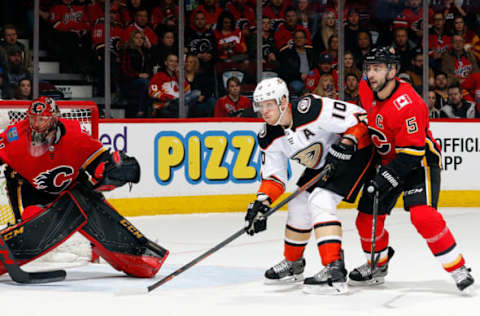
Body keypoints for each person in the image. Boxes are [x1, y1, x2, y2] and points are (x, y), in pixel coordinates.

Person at [0, 96, 169, 277]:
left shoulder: (75, 134)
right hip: (34, 192)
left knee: (103, 216)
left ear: (55, 118)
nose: (35, 124)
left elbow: (98, 162)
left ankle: (141, 258)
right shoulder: (15, 134)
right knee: (31, 232)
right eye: (32, 118)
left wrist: (109, 169)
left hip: (73, 189)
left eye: (41, 119)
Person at [351, 46, 474, 292]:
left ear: (393, 71)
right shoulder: (367, 87)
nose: (371, 74)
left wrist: (384, 177)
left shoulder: (409, 105)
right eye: (369, 68)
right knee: (366, 219)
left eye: (377, 69)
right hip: (388, 162)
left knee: (423, 216)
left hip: (418, 163)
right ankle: (378, 264)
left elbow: (412, 154)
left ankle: (457, 267)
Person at [244, 77, 375, 294]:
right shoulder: (268, 136)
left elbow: (360, 118)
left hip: (356, 153)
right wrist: (261, 203)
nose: (264, 111)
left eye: (269, 105)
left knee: (320, 199)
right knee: (298, 203)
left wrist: (346, 143)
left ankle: (334, 268)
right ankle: (294, 264)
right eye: (261, 106)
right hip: (324, 162)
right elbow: (274, 178)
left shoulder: (311, 108)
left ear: (283, 100)